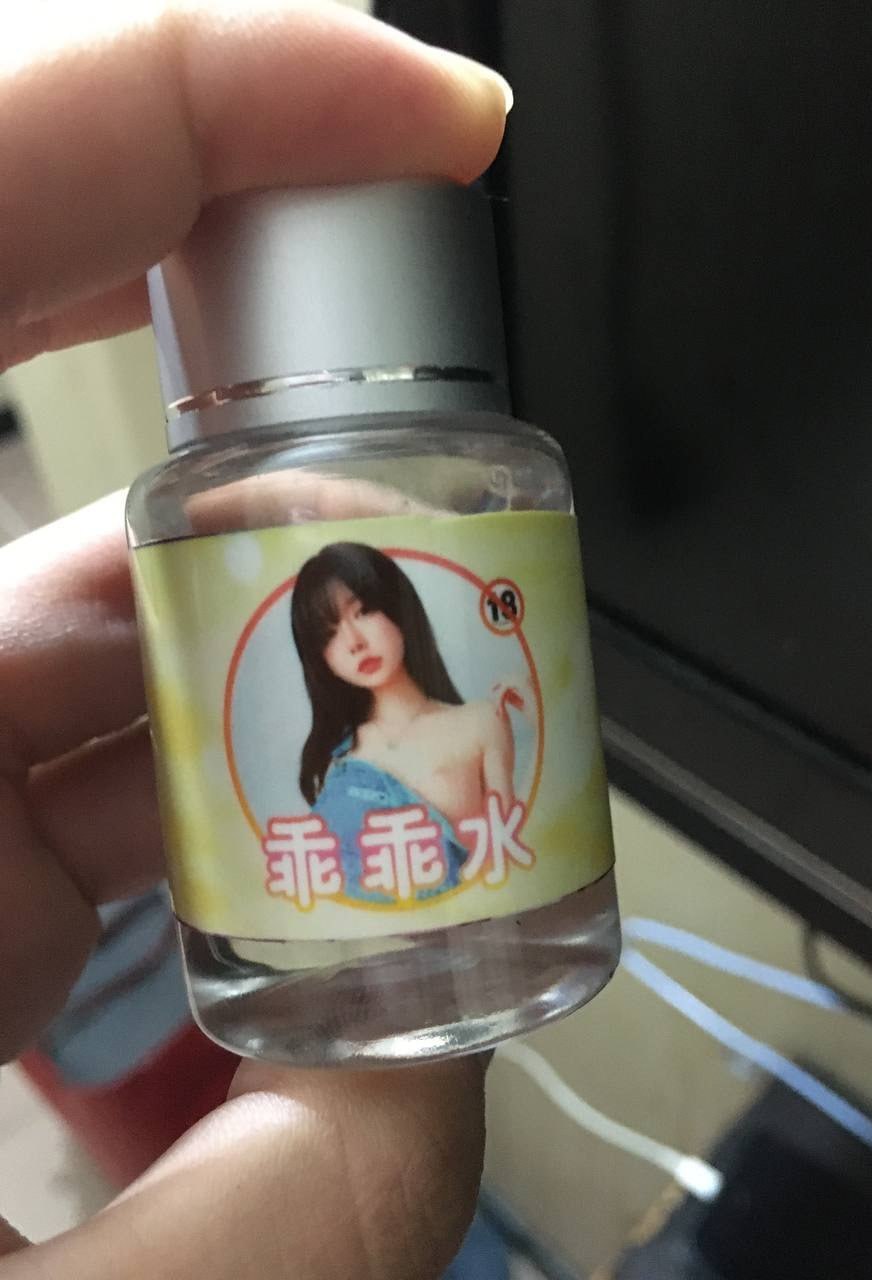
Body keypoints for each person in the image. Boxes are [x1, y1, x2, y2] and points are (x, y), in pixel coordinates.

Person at [0, 3, 510, 1276]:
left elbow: (492, 843)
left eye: (369, 606)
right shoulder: (326, 768)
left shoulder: (483, 717)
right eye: (327, 627)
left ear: (403, 615)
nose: (357, 635)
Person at [292, 543, 520, 900]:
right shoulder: (339, 763)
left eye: (363, 611)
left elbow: (510, 859)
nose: (353, 642)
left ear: (396, 605)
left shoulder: (479, 723)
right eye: (329, 633)